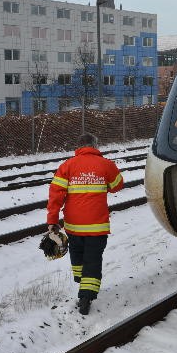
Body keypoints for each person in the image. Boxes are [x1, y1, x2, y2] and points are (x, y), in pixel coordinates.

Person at [46, 133, 124, 315]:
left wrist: (52, 221)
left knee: (78, 256)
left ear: (79, 147)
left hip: (74, 226)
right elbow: (118, 185)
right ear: (95, 146)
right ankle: (86, 296)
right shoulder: (106, 164)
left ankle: (82, 282)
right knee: (93, 260)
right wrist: (102, 183)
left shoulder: (67, 166)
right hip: (97, 226)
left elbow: (55, 195)